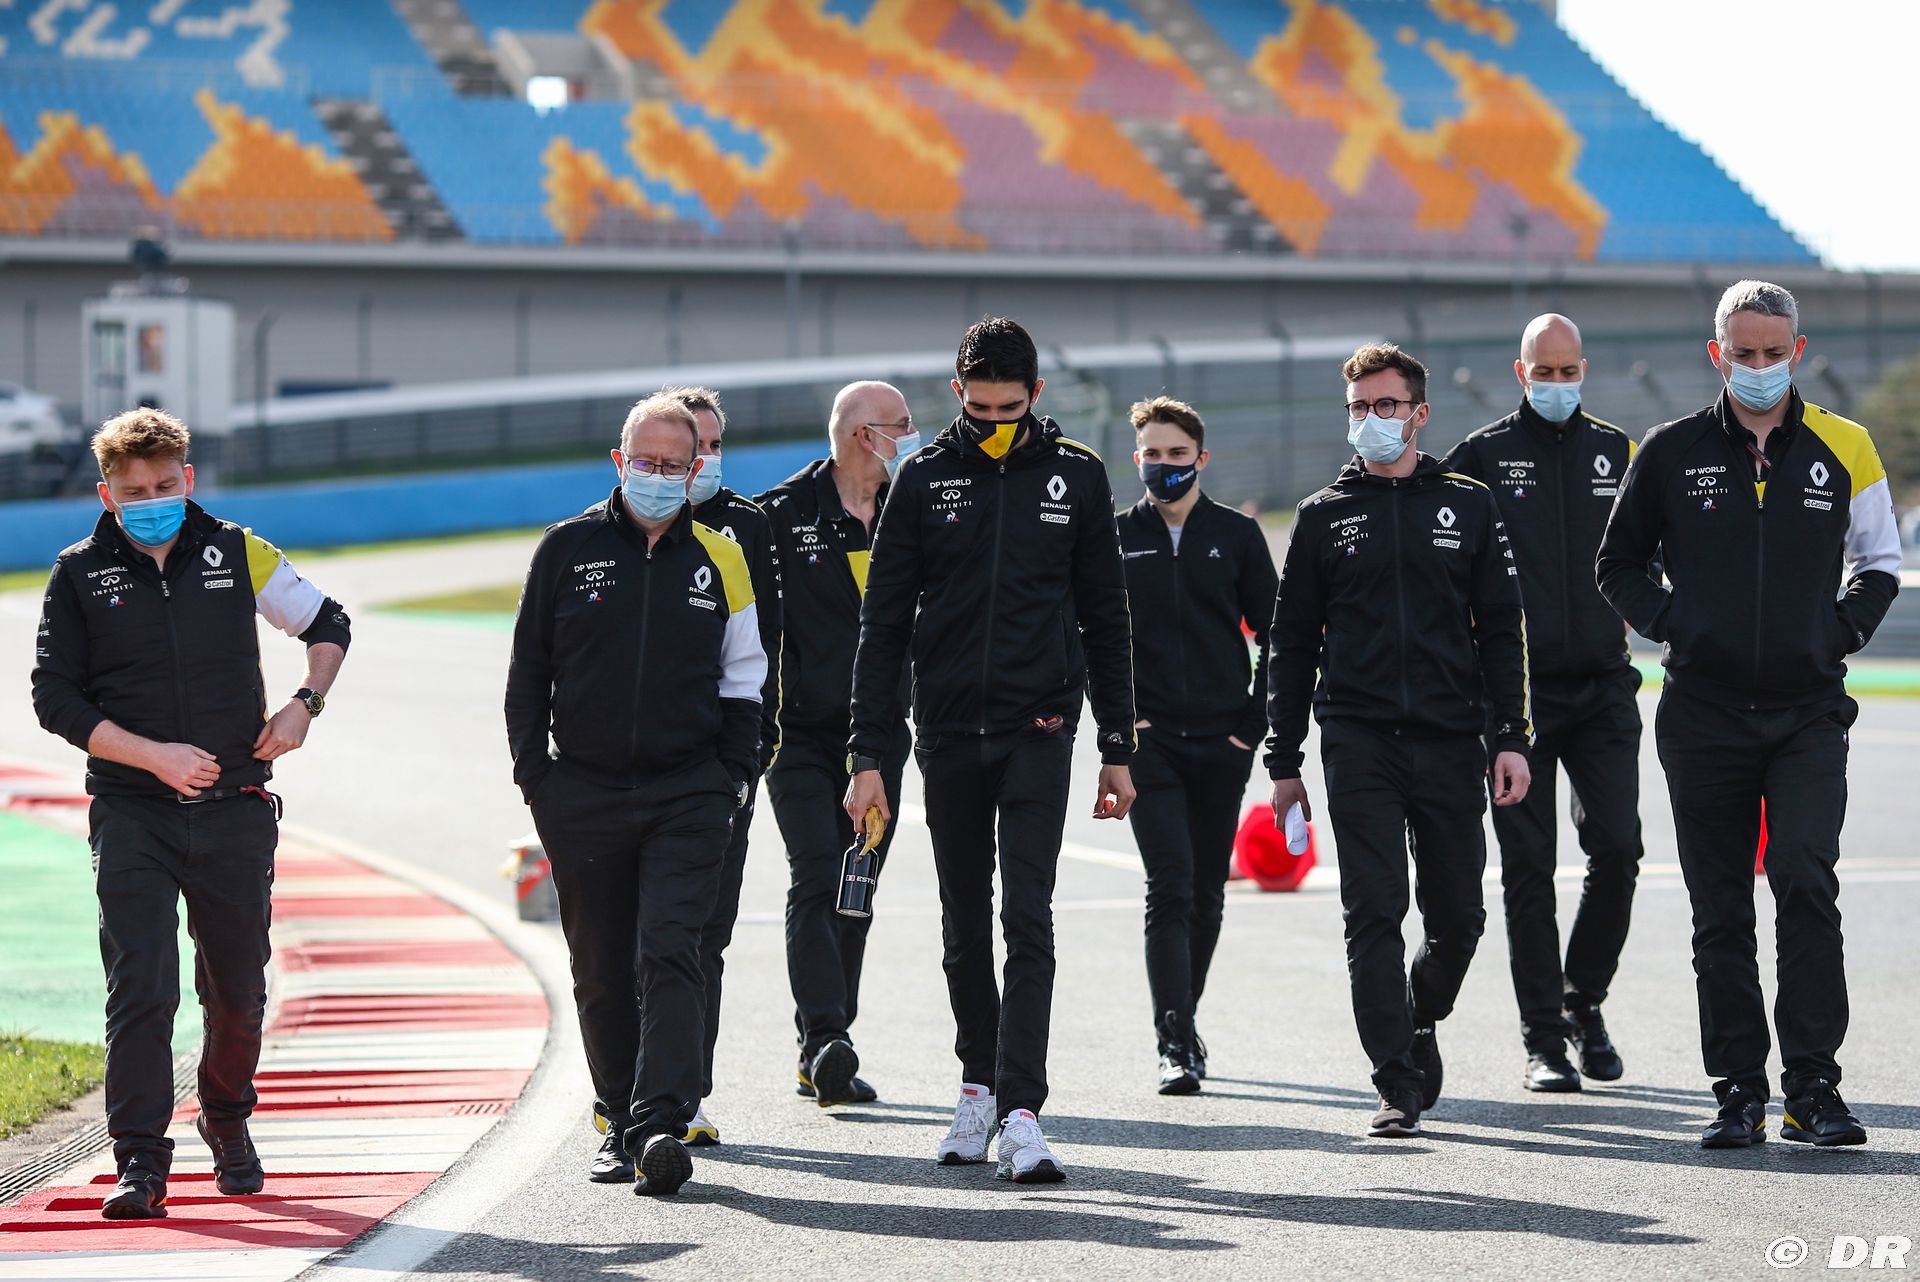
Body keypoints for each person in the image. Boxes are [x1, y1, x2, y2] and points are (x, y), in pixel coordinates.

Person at [1598, 280, 1900, 1151]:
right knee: (1720, 908)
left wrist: (1836, 633)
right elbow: (1616, 563)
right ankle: (1737, 1091)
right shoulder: (1669, 449)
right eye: (1743, 353)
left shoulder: (1846, 445)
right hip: (1704, 714)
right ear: (1717, 353)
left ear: (1797, 352)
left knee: (1805, 881)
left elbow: (1880, 562)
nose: (1759, 366)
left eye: (1773, 352)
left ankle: (1813, 1089)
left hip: (1808, 712)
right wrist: (1676, 626)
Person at [31, 407, 351, 1220]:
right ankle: (140, 1160)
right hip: (132, 811)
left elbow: (328, 623)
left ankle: (226, 1117)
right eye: (133, 490)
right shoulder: (78, 573)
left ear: (189, 479)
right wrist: (153, 756)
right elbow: (53, 698)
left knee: (237, 991)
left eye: (164, 485)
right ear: (107, 494)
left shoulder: (236, 550)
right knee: (142, 987)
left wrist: (305, 704)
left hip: (235, 806)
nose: (151, 501)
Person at [845, 317, 1136, 1183]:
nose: (995, 422)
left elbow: (1107, 616)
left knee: (1028, 917)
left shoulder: (1078, 475)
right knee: (965, 922)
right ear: (957, 394)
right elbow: (883, 626)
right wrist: (867, 754)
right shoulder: (922, 478)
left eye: (1010, 409)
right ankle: (976, 1086)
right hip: (945, 731)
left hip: (1039, 727)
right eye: (979, 409)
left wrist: (1117, 744)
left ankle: (1022, 1112)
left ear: (1036, 396)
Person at [1266, 342, 1533, 1139]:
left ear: (1419, 413)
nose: (1372, 419)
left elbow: (1502, 629)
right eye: (1359, 407)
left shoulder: (1470, 503)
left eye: (1386, 405)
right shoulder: (1322, 515)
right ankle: (1394, 1080)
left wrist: (1510, 736)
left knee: (1459, 917)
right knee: (1373, 911)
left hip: (1451, 738)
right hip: (1358, 741)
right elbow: (1291, 645)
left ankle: (1421, 1015)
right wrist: (1284, 762)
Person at [505, 393, 767, 1195]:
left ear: (695, 471)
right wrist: (537, 780)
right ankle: (619, 1120)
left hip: (690, 792)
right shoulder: (567, 547)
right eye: (645, 462)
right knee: (601, 966)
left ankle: (659, 1122)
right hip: (581, 794)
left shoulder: (721, 557)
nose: (658, 475)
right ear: (620, 463)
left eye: (674, 465)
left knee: (672, 950)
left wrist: (731, 778)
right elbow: (528, 673)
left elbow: (747, 677)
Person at [1442, 314, 1643, 1094]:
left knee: (1618, 849)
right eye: (1543, 371)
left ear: (1582, 370)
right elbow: (1436, 549)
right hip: (1514, 700)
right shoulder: (1481, 456)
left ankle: (1581, 999)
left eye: (1568, 371)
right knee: (1529, 868)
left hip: (1603, 687)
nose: (1557, 383)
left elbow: (1656, 552)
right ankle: (1544, 1042)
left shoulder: (1618, 453)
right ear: (1520, 372)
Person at [757, 382, 915, 1109]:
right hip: (798, 736)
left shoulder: (914, 510)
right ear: (863, 435)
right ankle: (825, 1038)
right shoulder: (779, 515)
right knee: (817, 875)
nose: (912, 437)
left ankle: (824, 1051)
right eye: (901, 426)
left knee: (857, 888)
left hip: (880, 738)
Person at [1114, 396, 1277, 1095]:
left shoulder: (1237, 536)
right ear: (1137, 459)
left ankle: (1187, 1018)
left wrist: (1251, 726)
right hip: (1150, 744)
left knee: (1207, 892)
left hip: (1222, 742)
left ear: (1201, 458)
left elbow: (1280, 635)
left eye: (1177, 454)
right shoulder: (1114, 538)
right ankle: (1173, 1039)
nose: (1165, 465)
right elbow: (1090, 638)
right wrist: (1123, 725)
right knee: (1170, 884)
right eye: (1152, 454)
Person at [670, 386, 782, 1146]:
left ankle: (686, 1093)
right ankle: (627, 1089)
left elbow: (767, 654)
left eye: (714, 446)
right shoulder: (603, 534)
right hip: (629, 766)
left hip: (721, 765)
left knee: (707, 933)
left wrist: (750, 759)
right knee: (639, 936)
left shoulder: (749, 527)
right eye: (692, 447)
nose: (703, 459)